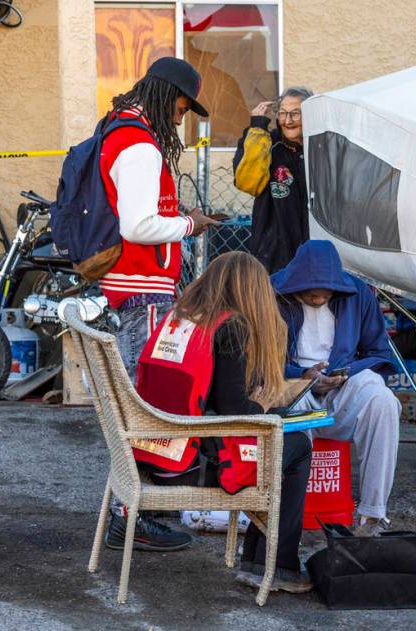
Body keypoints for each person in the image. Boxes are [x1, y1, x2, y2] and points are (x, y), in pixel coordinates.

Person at [135, 251, 314, 593]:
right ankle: (277, 566)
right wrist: (262, 404)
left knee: (280, 441)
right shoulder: (230, 327)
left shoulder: (179, 318)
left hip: (153, 453)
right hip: (193, 465)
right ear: (251, 291)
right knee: (296, 446)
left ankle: (258, 561)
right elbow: (236, 410)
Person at [98, 57, 219, 553]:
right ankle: (132, 518)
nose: (182, 117)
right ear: (169, 95)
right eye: (184, 105)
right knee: (143, 410)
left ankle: (126, 513)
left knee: (134, 409)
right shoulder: (139, 145)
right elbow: (138, 227)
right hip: (140, 290)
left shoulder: (120, 130)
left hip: (128, 288)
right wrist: (191, 225)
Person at [271, 240, 401, 537]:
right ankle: (283, 521)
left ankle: (372, 515)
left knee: (383, 400)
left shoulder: (358, 295)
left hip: (340, 386)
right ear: (295, 285)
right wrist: (302, 375)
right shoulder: (272, 293)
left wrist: (345, 373)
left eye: (325, 295)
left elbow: (379, 353)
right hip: (292, 387)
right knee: (290, 405)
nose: (317, 300)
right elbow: (257, 359)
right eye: (310, 294)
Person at [233, 86, 314, 273]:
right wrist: (257, 127)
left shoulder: (320, 147)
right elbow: (247, 183)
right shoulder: (266, 143)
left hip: (315, 254)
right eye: (282, 113)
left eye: (295, 113)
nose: (287, 120)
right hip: (273, 258)